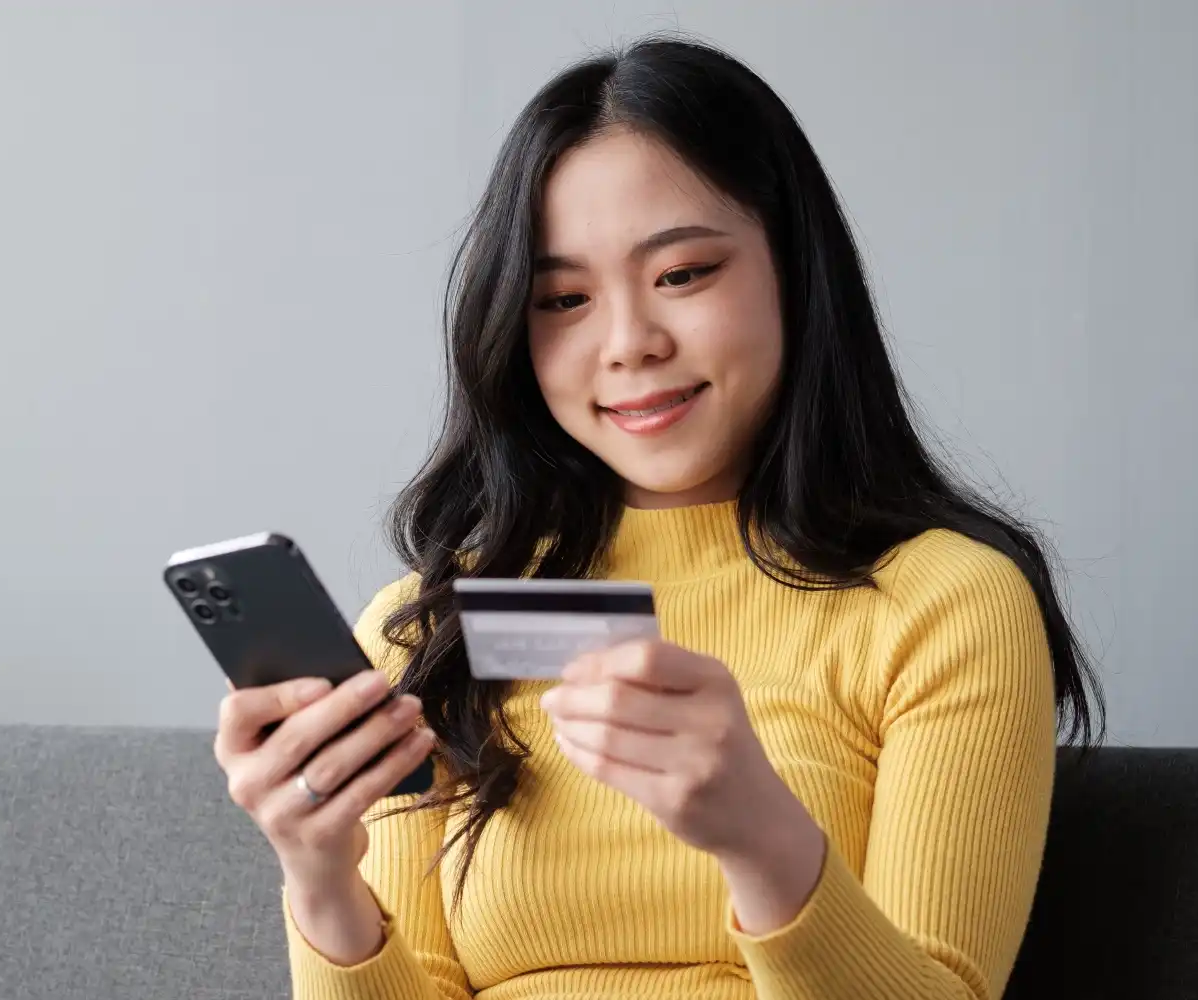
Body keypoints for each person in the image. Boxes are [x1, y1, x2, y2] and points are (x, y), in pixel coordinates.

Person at [212, 36, 1098, 1000]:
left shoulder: (942, 604)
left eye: (682, 274)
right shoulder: (433, 629)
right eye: (565, 299)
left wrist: (761, 838)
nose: (629, 343)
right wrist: (319, 877)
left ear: (794, 272)